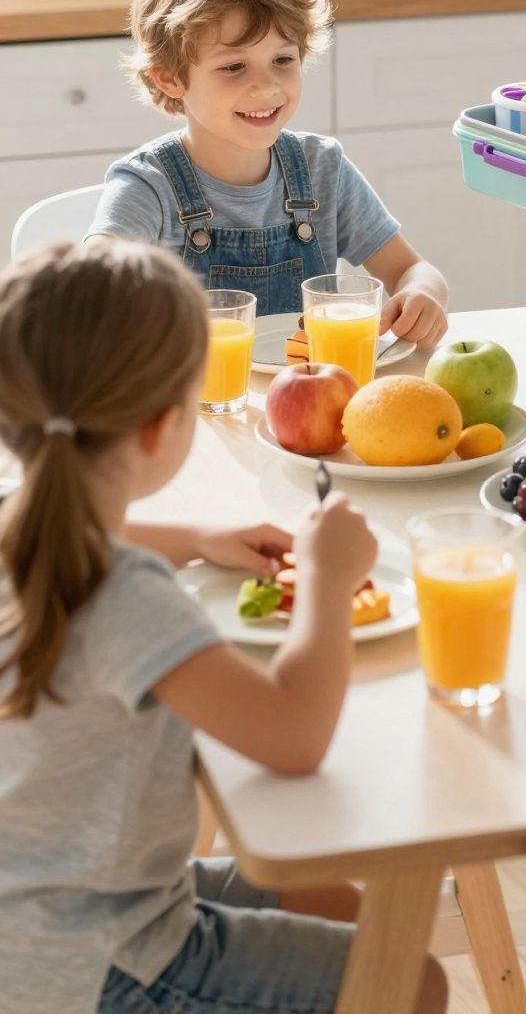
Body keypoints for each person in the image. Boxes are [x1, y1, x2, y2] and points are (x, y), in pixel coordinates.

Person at [0, 235, 447, 1014]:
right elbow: (294, 738)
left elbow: (84, 545)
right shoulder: (126, 597)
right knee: (409, 981)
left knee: (346, 908)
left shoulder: (24, 531)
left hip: (45, 907)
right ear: (160, 428)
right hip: (100, 963)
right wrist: (331, 583)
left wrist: (200, 541)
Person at [88, 0, 448, 345]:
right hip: (201, 403)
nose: (266, 87)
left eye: (282, 59)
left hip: (318, 392)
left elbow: (412, 268)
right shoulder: (149, 186)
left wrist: (422, 292)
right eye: (233, 66)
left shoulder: (322, 170)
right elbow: (91, 279)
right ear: (169, 78)